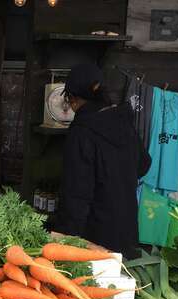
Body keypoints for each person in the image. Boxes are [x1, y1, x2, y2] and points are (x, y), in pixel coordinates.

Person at [54, 63, 151, 258]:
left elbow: (76, 195)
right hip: (126, 229)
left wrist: (66, 240)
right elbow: (143, 165)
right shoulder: (123, 122)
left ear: (72, 98)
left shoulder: (82, 133)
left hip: (94, 238)